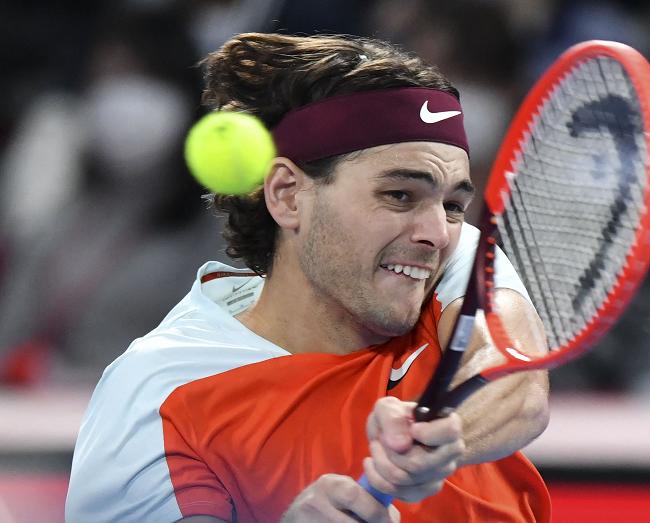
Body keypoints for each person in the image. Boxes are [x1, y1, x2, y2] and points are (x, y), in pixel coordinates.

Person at [65, 33, 551, 522]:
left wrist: (441, 437)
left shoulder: (451, 259)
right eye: (399, 195)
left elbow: (515, 377)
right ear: (288, 195)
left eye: (453, 204)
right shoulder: (159, 392)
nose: (437, 232)